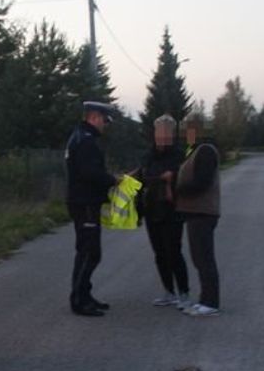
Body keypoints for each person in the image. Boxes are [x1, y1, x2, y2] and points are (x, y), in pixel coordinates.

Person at [65, 101, 119, 316]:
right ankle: (79, 299)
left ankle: (85, 295)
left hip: (83, 201)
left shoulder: (79, 137)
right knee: (90, 252)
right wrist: (112, 180)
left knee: (86, 251)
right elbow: (91, 173)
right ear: (94, 117)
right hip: (85, 202)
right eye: (104, 121)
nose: (105, 125)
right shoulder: (86, 141)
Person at [133, 115, 190, 308]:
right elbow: (141, 178)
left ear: (172, 133)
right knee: (159, 253)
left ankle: (184, 293)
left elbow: (184, 179)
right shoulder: (147, 155)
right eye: (159, 131)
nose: (162, 135)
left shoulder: (180, 155)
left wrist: (171, 179)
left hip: (172, 210)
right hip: (151, 209)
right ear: (155, 132)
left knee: (174, 251)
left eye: (166, 131)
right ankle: (168, 291)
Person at [175, 114, 221, 316]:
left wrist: (177, 189)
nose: (186, 134)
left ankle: (210, 302)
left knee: (204, 257)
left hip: (203, 211)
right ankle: (205, 299)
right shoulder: (195, 151)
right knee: (198, 257)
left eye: (190, 129)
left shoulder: (206, 151)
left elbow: (201, 182)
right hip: (195, 212)